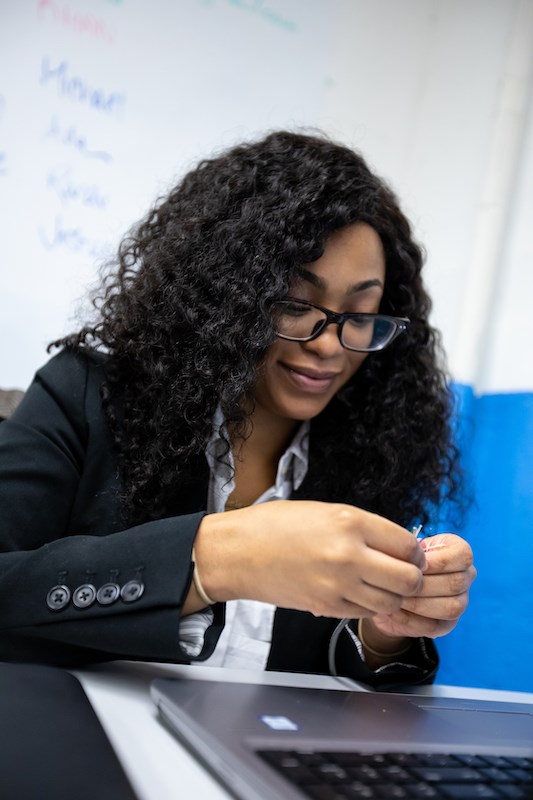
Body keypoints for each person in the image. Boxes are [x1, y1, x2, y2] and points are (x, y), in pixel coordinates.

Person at [0, 130, 476, 689]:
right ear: (226, 296)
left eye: (362, 312)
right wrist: (213, 560)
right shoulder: (86, 394)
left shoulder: (372, 448)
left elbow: (346, 678)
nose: (328, 346)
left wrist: (383, 633)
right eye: (297, 305)